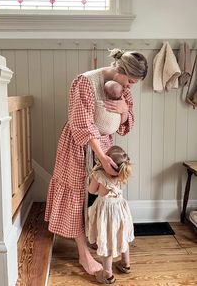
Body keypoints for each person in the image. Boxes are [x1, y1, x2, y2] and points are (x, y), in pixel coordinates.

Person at [44, 48, 148, 275]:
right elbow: (82, 123)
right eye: (129, 81)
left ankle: (92, 237)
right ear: (120, 69)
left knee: (96, 196)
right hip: (79, 144)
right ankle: (83, 255)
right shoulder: (85, 82)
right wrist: (101, 155)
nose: (130, 87)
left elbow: (125, 125)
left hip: (105, 143)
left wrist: (123, 111)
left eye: (134, 84)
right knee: (76, 194)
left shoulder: (123, 89)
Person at [88, 145, 133, 284]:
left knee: (106, 241)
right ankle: (125, 264)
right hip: (120, 210)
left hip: (106, 213)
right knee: (121, 236)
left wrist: (95, 171)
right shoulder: (122, 174)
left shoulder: (99, 175)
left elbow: (91, 190)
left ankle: (107, 274)